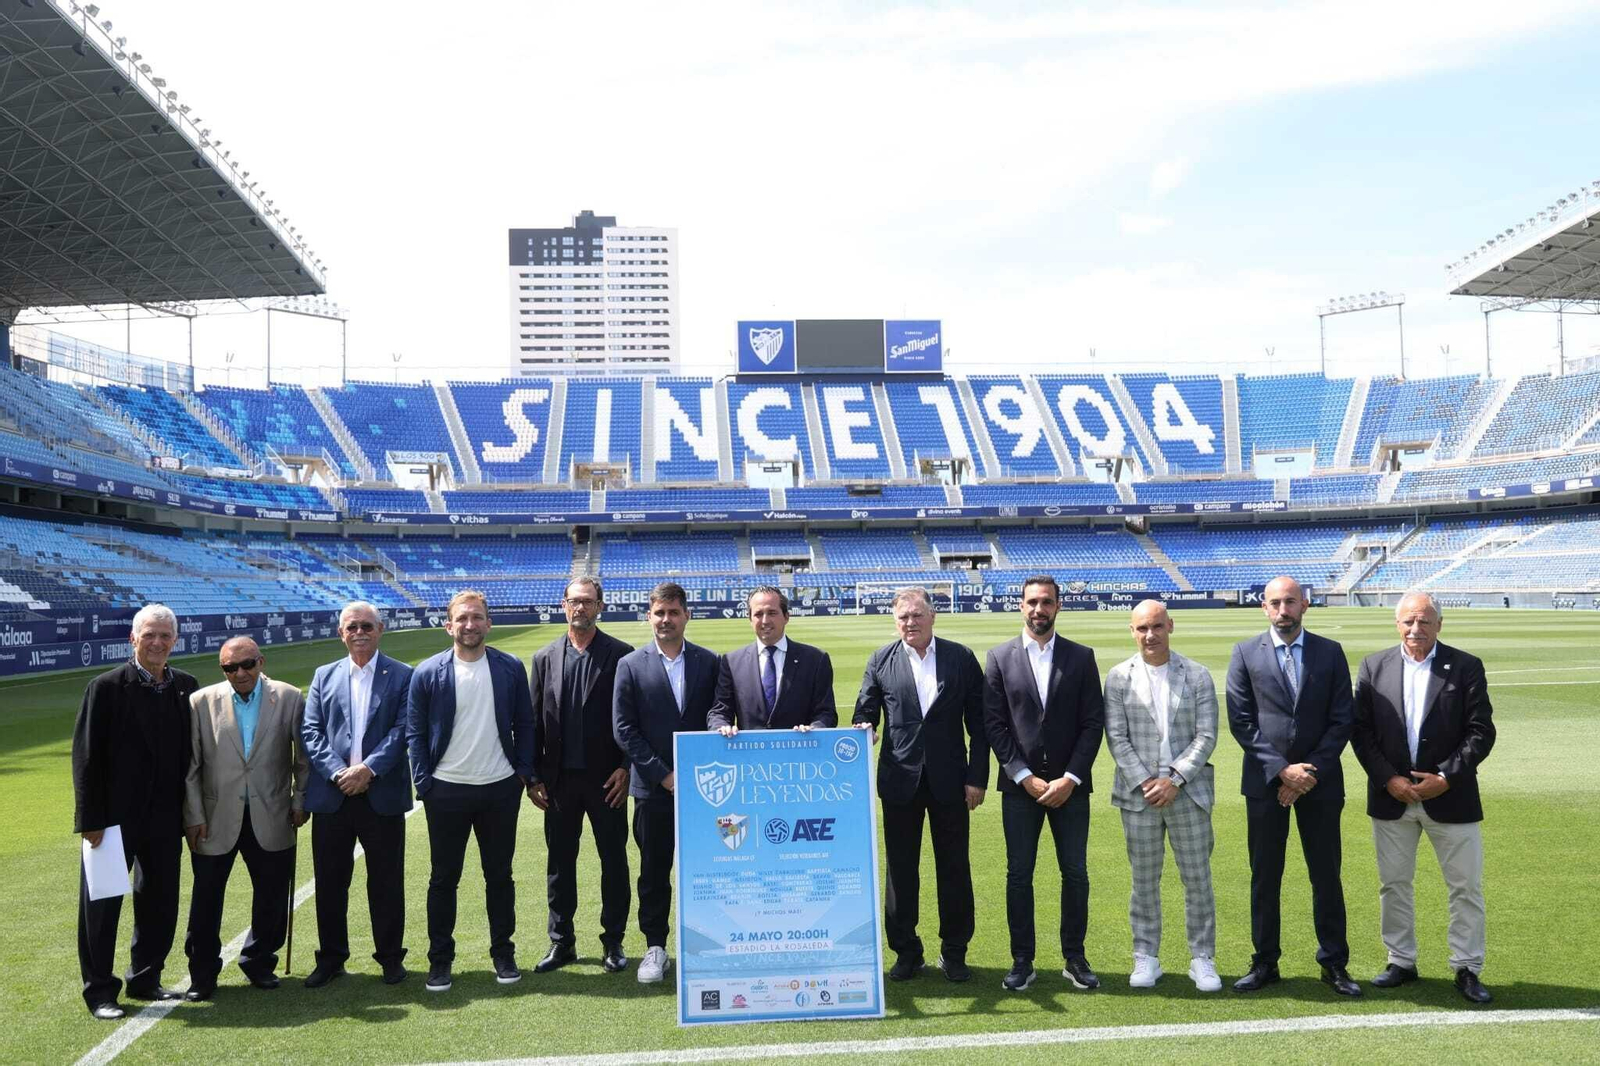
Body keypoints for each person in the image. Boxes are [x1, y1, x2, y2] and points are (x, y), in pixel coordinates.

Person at [1351, 591, 1496, 1003]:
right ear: (1397, 623)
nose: (1416, 629)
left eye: (1424, 621)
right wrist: (1388, 779)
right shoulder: (1374, 666)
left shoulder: (1466, 666)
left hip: (1451, 798)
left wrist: (1445, 778)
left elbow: (1481, 731)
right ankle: (1400, 961)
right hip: (1392, 798)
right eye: (1408, 621)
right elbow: (1360, 732)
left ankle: (1467, 967)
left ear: (1439, 624)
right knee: (1394, 884)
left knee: (1465, 887)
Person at [1226, 575, 1359, 997]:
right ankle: (1265, 961)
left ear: (1305, 604)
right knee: (1265, 875)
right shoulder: (1245, 653)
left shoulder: (1330, 652)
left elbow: (1343, 718)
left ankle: (1334, 963)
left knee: (1326, 875)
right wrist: (1283, 771)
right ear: (1264, 607)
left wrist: (1307, 774)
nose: (1283, 610)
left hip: (1320, 784)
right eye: (1275, 603)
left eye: (1290, 602)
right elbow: (1241, 722)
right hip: (1266, 784)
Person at [852, 587, 989, 984]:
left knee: (954, 868)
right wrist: (866, 729)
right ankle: (907, 952)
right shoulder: (880, 659)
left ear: (932, 616)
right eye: (903, 617)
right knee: (900, 871)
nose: (909, 623)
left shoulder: (960, 657)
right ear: (895, 621)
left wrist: (977, 777)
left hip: (951, 782)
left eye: (916, 615)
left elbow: (979, 724)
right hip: (900, 781)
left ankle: (955, 951)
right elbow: (865, 712)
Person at [72, 604, 199, 1019]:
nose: (157, 643)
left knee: (159, 902)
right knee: (102, 906)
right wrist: (90, 820)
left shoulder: (186, 687)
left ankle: (146, 978)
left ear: (175, 641)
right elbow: (86, 758)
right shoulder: (105, 687)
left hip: (165, 819)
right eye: (149, 635)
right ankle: (100, 992)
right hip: (111, 821)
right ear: (133, 639)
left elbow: (192, 757)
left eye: (165, 636)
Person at [406, 590, 535, 993]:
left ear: (488, 624)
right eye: (462, 618)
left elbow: (525, 724)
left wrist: (521, 773)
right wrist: (424, 783)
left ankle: (503, 953)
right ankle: (440, 960)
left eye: (477, 617)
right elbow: (415, 732)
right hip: (446, 791)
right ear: (449, 625)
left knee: (500, 876)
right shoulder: (428, 672)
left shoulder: (510, 667)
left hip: (499, 789)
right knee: (444, 879)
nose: (469, 625)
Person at [983, 576, 1104, 993]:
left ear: (1058, 606)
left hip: (1071, 789)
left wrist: (1071, 777)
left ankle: (1075, 957)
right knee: (1019, 875)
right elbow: (995, 725)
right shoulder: (999, 658)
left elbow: (1092, 723)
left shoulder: (1081, 656)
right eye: (1032, 602)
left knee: (1075, 873)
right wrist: (1024, 776)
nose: (1039, 609)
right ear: (1021, 606)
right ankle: (1022, 960)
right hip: (1020, 789)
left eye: (1047, 602)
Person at [1103, 599, 1221, 992]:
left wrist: (1175, 779)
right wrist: (1146, 782)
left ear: (1170, 625)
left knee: (1197, 879)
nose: (1150, 635)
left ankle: (1202, 957)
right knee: (1144, 881)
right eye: (1142, 628)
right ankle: (1146, 956)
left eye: (1156, 626)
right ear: (1132, 631)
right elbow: (1117, 738)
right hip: (1139, 798)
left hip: (1189, 794)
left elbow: (1207, 735)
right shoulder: (1118, 678)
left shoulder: (1198, 675)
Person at [182, 637, 309, 1000]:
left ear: (261, 661)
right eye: (230, 667)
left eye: (247, 664)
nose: (239, 673)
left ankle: (259, 961)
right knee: (206, 900)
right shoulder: (200, 702)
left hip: (273, 814)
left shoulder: (289, 697)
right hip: (214, 817)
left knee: (272, 897)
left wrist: (300, 800)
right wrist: (193, 815)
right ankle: (202, 973)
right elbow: (191, 767)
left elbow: (303, 759)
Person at [300, 602, 415, 988]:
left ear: (380, 629)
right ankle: (331, 958)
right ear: (341, 633)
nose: (360, 632)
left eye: (367, 626)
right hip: (333, 796)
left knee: (386, 882)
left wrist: (368, 770)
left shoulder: (403, 675)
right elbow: (311, 731)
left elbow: (403, 730)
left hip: (381, 795)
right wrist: (338, 772)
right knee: (330, 882)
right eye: (352, 627)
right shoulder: (324, 675)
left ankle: (390, 957)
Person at [611, 581, 718, 984]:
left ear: (687, 615)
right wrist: (665, 775)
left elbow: (720, 715)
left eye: (674, 612)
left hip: (706, 790)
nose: (666, 619)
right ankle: (655, 946)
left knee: (708, 869)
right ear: (649, 616)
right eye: (659, 613)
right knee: (654, 870)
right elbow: (624, 730)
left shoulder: (710, 662)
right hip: (653, 790)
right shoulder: (630, 665)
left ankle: (707, 945)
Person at [526, 578, 635, 975]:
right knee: (560, 864)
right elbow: (533, 722)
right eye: (574, 601)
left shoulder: (622, 655)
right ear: (563, 605)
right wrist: (532, 777)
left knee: (614, 862)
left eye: (588, 602)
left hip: (607, 781)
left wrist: (626, 767)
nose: (580, 608)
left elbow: (632, 719)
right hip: (558, 783)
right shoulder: (544, 658)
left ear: (600, 606)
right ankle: (562, 942)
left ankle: (613, 941)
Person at [708, 585, 836, 734]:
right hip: (751, 749)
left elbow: (826, 712)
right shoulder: (732, 662)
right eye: (758, 614)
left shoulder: (816, 660)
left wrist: (815, 729)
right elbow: (720, 711)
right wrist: (721, 727)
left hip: (800, 747)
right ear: (750, 619)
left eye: (772, 613)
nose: (765, 620)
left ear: (786, 616)